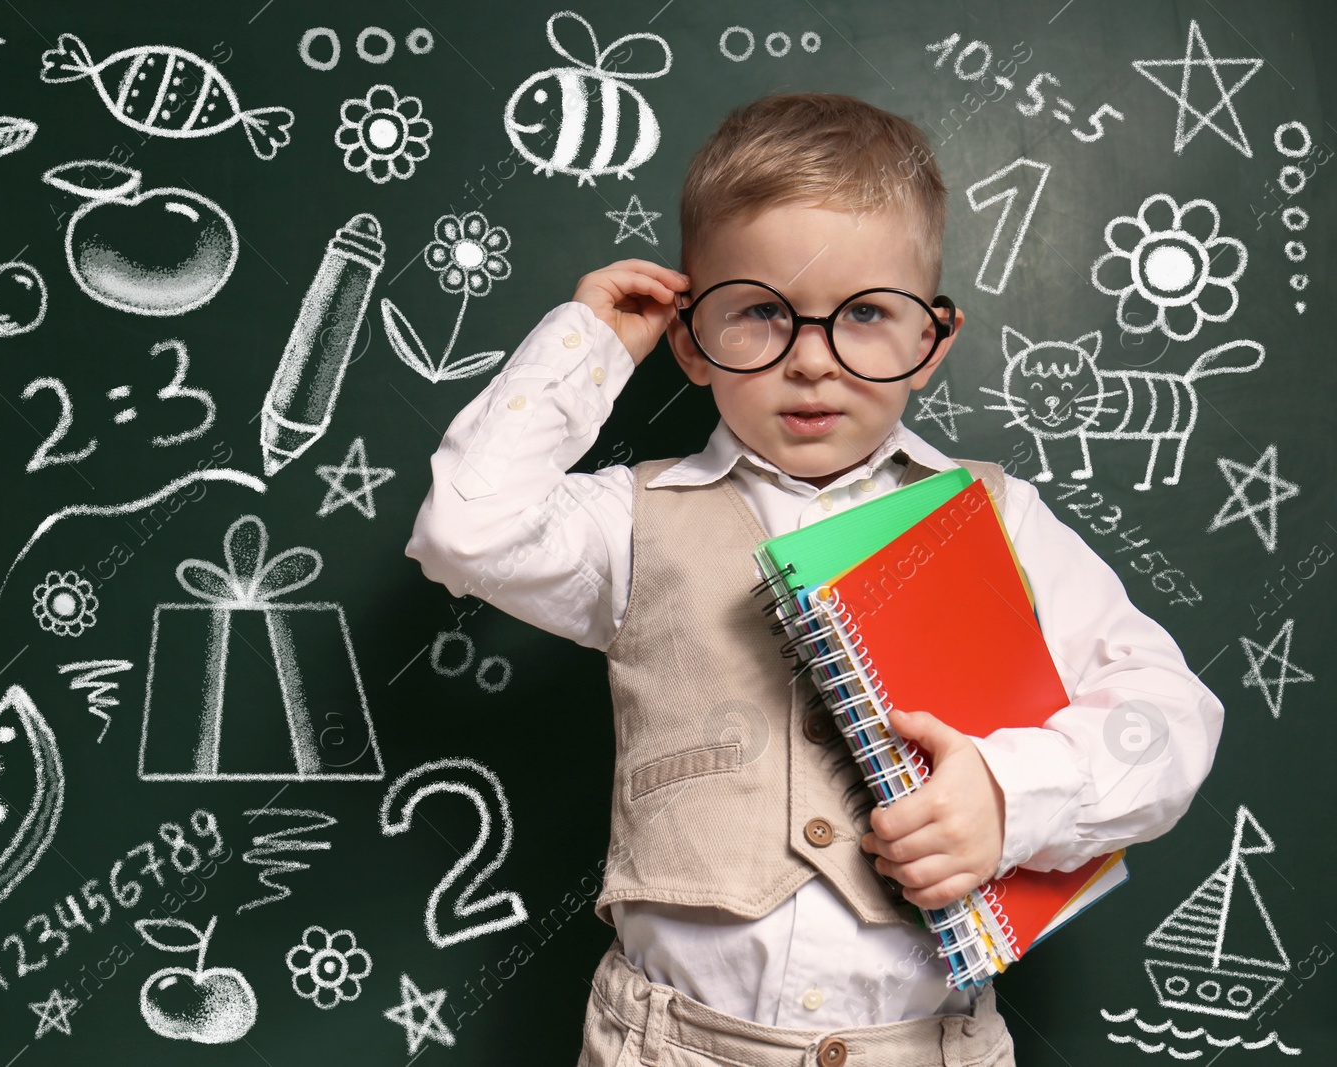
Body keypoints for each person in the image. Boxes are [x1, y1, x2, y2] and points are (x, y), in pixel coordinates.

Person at [406, 93, 1222, 1067]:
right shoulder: (633, 518)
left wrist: (1012, 796)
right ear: (689, 337)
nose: (809, 362)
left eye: (867, 314)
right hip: (668, 1043)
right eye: (758, 312)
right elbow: (465, 527)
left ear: (933, 341)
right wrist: (586, 344)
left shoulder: (996, 517)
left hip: (925, 1044)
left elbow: (1169, 716)